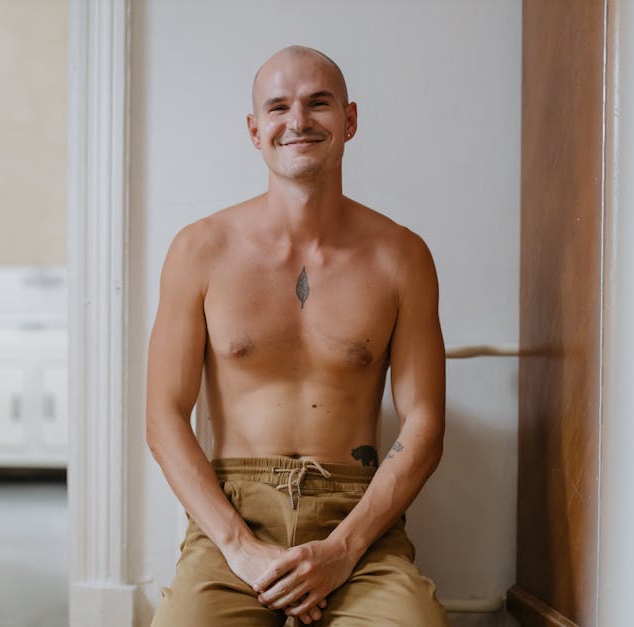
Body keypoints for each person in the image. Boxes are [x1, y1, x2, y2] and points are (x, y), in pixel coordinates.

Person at [146, 45, 448, 626]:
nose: (299, 121)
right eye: (279, 107)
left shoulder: (402, 256)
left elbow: (425, 424)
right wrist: (239, 547)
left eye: (318, 103)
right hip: (234, 513)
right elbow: (163, 417)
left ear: (350, 120)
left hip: (356, 516)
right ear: (255, 130)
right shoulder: (199, 250)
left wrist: (342, 550)